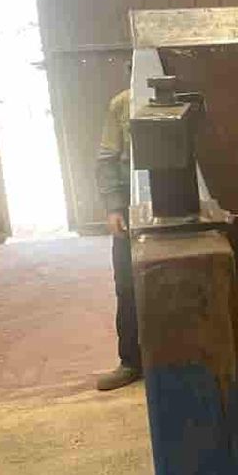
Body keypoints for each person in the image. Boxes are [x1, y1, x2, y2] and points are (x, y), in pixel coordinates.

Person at [95, 88, 141, 391]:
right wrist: (113, 207)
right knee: (127, 285)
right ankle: (131, 362)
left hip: (182, 202)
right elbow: (107, 158)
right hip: (130, 203)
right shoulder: (123, 103)